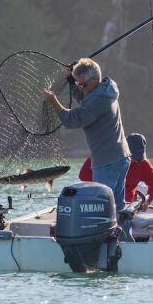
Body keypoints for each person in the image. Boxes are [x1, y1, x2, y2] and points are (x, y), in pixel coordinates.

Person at [43, 58, 130, 211]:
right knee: (118, 208)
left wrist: (54, 102)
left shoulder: (99, 100)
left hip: (107, 161)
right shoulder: (105, 89)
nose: (81, 88)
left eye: (83, 84)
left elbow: (72, 120)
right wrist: (72, 81)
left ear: (96, 78)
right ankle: (123, 235)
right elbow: (86, 99)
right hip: (120, 156)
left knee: (103, 207)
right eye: (78, 84)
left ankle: (105, 235)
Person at [79, 133, 153, 211]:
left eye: (138, 157)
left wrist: (148, 199)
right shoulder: (102, 154)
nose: (134, 160)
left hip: (127, 208)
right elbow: (83, 175)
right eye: (132, 156)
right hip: (101, 204)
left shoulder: (142, 163)